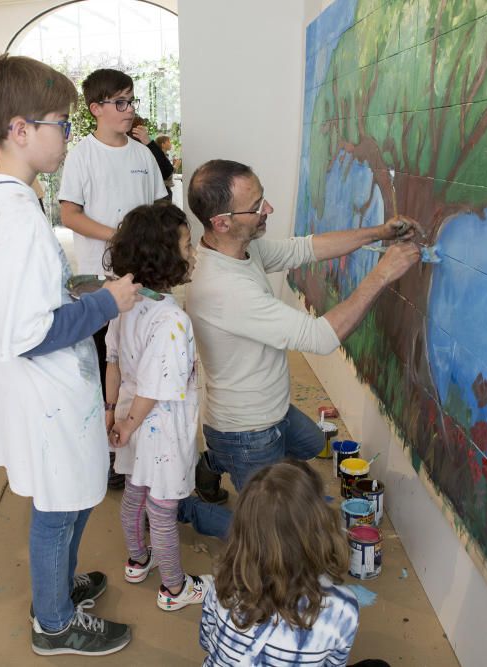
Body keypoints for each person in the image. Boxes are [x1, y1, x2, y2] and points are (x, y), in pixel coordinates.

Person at [0, 53, 142, 657]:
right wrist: (108, 301)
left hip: (50, 387)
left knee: (71, 495)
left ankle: (59, 589)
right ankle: (54, 621)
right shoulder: (13, 215)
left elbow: (26, 298)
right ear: (20, 129)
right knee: (59, 506)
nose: (67, 135)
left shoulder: (3, 197)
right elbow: (31, 332)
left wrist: (79, 291)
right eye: (61, 124)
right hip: (46, 389)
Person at [178, 159, 421, 538]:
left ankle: (214, 460)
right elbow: (321, 337)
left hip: (269, 408)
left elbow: (304, 249)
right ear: (222, 222)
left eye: (263, 198)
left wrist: (378, 232)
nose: (269, 209)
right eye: (256, 206)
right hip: (247, 431)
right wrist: (382, 274)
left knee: (310, 444)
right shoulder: (224, 289)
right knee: (271, 538)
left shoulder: (240, 250)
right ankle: (179, 508)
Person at [58, 68, 167, 491]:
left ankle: (137, 441)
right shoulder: (82, 156)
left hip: (144, 280)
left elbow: (159, 209)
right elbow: (70, 215)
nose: (128, 110)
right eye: (119, 102)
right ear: (96, 108)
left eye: (131, 101)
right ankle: (102, 447)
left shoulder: (143, 155)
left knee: (142, 361)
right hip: (100, 282)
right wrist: (119, 236)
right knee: (106, 362)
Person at [103, 202, 212, 612]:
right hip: (158, 427)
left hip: (128, 416)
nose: (193, 253)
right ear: (164, 256)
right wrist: (129, 425)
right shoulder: (171, 320)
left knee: (134, 493)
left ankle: (137, 561)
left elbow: (112, 361)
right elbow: (154, 388)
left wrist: (112, 413)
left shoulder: (125, 303)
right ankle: (174, 588)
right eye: (186, 245)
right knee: (163, 509)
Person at [199, 459, 389, 667]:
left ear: (241, 529)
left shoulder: (222, 579)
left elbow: (206, 641)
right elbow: (333, 664)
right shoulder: (341, 609)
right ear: (320, 527)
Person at [129, 116, 172, 198]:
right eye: (142, 127)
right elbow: (167, 171)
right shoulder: (141, 150)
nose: (146, 130)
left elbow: (167, 171)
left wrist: (148, 142)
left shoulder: (146, 148)